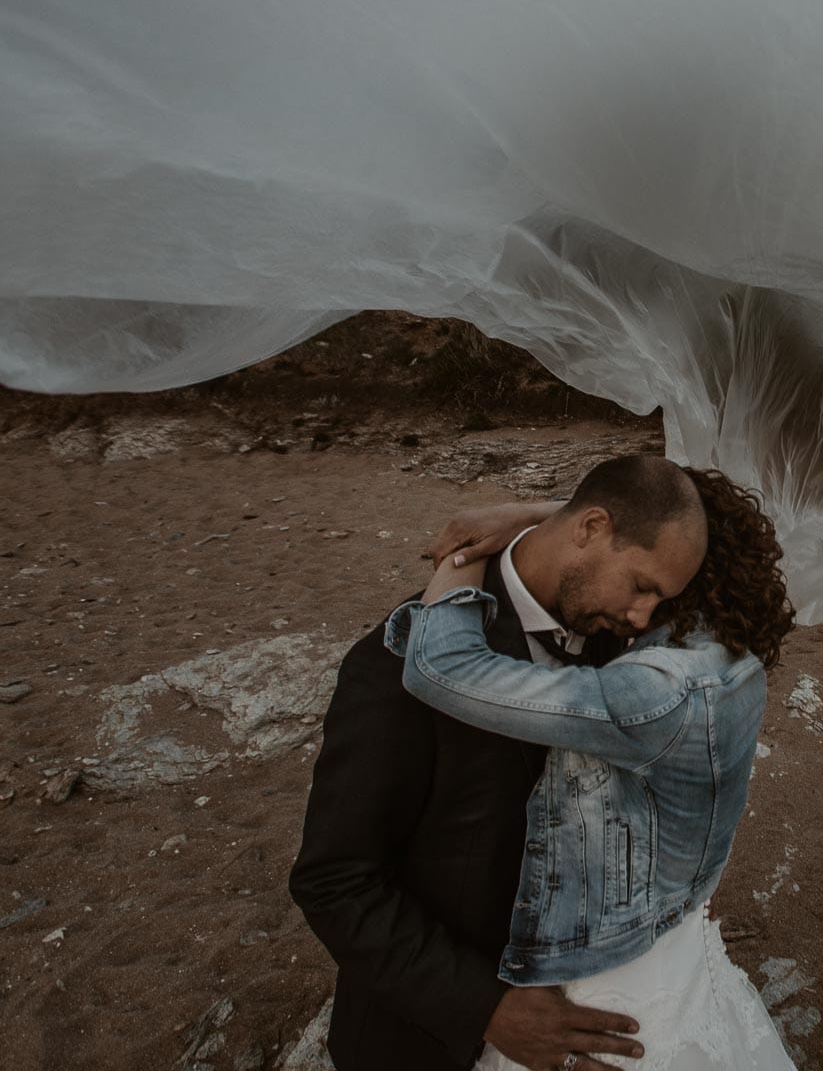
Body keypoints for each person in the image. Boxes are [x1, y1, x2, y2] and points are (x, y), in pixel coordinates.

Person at [290, 455, 711, 1071]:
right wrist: (485, 1007)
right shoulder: (392, 667)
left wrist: (531, 514)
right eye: (642, 586)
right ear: (591, 528)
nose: (643, 619)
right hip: (429, 1039)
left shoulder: (613, 639)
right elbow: (334, 881)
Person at [395, 462, 797, 1071]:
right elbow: (635, 518)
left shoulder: (657, 694)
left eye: (654, 592)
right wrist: (535, 515)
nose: (638, 615)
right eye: (641, 584)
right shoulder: (728, 646)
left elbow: (439, 664)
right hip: (675, 938)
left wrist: (462, 553)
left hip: (608, 970)